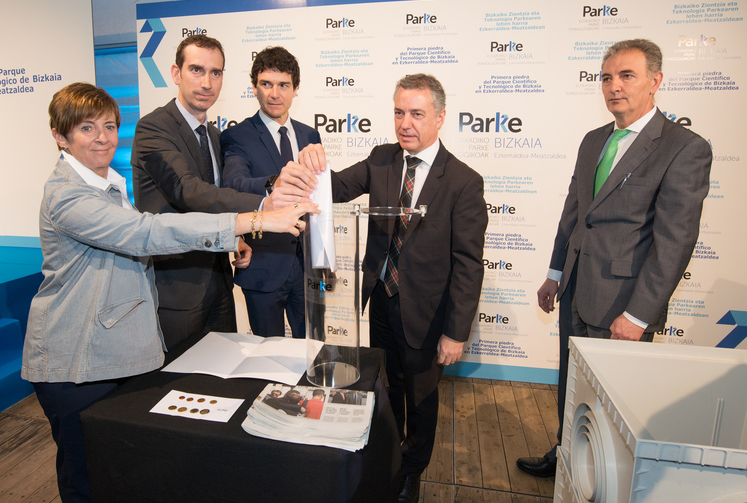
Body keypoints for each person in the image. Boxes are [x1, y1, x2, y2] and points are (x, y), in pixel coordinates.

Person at [21, 83, 315, 503]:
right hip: (75, 363)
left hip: (112, 354)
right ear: (59, 135)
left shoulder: (106, 187)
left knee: (120, 472)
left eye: (109, 126)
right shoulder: (67, 196)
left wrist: (230, 240)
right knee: (85, 479)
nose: (102, 138)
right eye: (87, 128)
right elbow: (147, 233)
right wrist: (254, 219)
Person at [516, 39, 712, 478]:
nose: (614, 86)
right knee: (572, 385)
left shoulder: (684, 147)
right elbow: (574, 214)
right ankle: (566, 454)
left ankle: (602, 479)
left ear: (655, 81)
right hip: (575, 290)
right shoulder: (593, 140)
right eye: (606, 77)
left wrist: (639, 315)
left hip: (623, 304)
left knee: (613, 404)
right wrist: (554, 274)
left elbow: (675, 242)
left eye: (626, 76)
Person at [298, 73, 487, 503]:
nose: (405, 123)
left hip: (427, 314)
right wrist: (307, 167)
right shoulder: (382, 158)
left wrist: (455, 332)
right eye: (399, 112)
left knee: (421, 399)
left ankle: (412, 471)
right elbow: (336, 187)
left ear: (440, 117)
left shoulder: (463, 181)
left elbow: (468, 265)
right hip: (381, 301)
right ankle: (391, 456)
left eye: (417, 114)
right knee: (391, 388)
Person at [131, 35, 314, 349]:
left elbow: (218, 195)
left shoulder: (215, 136)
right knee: (179, 373)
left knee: (224, 371)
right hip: (179, 286)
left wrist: (236, 238)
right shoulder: (154, 128)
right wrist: (264, 205)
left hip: (220, 281)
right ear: (176, 73)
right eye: (197, 70)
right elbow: (187, 191)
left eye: (215, 73)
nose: (206, 82)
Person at [220, 46, 321, 339]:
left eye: (283, 85)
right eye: (266, 84)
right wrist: (274, 183)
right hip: (263, 264)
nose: (274, 94)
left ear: (295, 89)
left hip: (308, 265)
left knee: (312, 349)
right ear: (254, 87)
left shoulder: (310, 135)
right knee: (267, 354)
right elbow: (234, 183)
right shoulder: (237, 136)